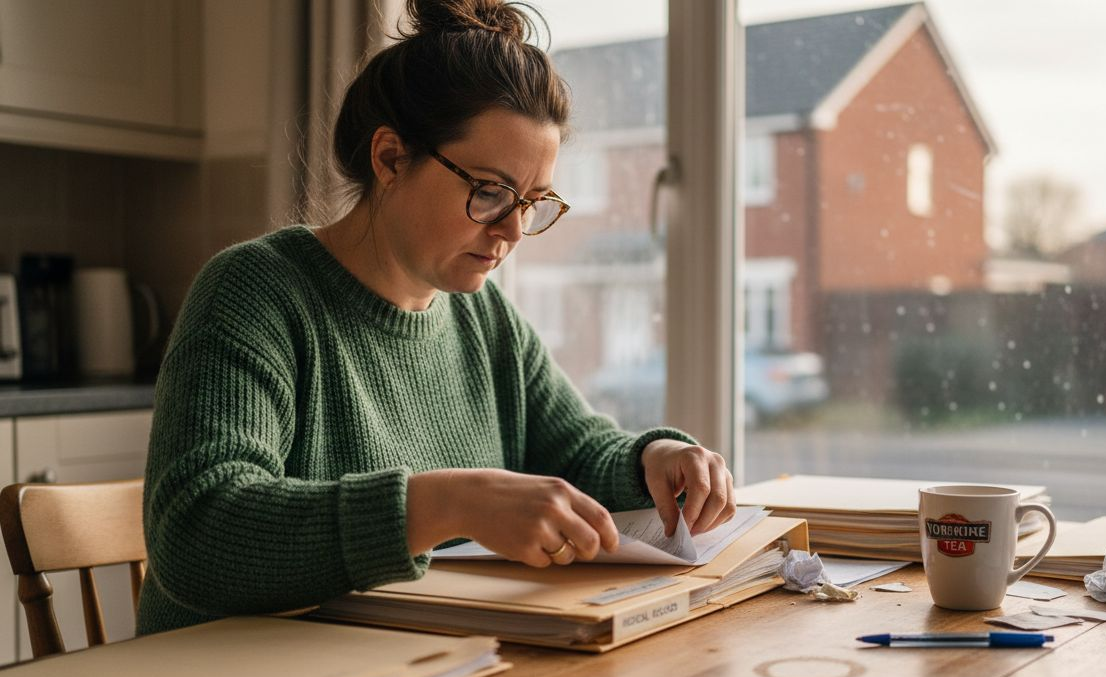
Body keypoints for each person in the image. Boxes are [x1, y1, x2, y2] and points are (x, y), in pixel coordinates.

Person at [137, 0, 736, 636]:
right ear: (391, 158)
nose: (511, 230)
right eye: (489, 191)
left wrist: (654, 458)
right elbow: (197, 535)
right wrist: (447, 504)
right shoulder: (256, 292)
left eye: (532, 202)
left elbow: (575, 452)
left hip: (401, 667)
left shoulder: (481, 315)